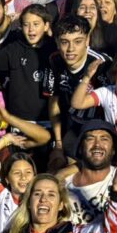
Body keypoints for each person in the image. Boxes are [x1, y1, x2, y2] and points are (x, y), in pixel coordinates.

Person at [44, 15, 110, 165]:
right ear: (57, 42)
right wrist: (58, 143)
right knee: (56, 164)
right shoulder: (54, 61)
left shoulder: (102, 65)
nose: (71, 49)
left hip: (99, 129)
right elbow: (54, 103)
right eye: (65, 42)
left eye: (78, 42)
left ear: (87, 40)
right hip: (71, 126)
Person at [0, 4, 55, 123]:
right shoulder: (15, 47)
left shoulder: (55, 49)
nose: (31, 29)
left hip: (47, 119)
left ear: (46, 26)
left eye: (36, 24)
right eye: (26, 24)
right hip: (18, 120)